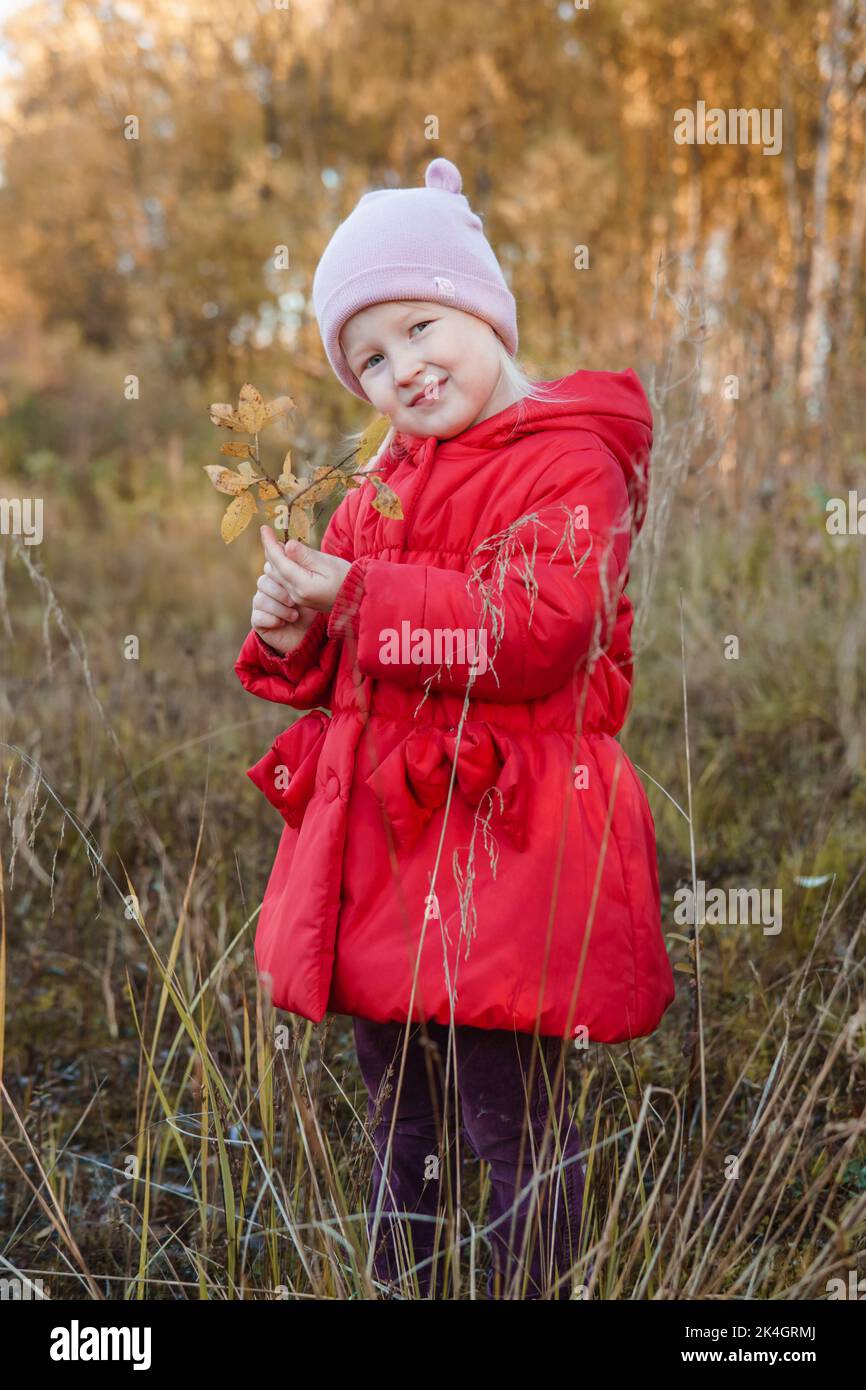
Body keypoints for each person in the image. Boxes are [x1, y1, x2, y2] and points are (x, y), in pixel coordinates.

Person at [234, 157, 676, 1299]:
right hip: (383, 849)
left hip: (505, 846)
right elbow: (344, 666)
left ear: (482, 311)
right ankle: (407, 1286)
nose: (403, 368)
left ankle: (535, 1286)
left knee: (507, 1115)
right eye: (369, 358)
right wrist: (294, 630)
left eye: (420, 324)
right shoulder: (376, 484)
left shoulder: (567, 459)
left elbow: (537, 631)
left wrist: (361, 601)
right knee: (399, 1122)